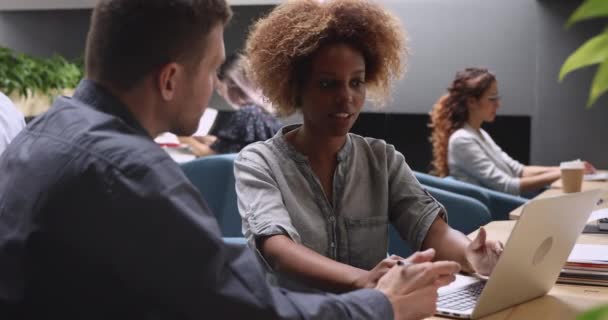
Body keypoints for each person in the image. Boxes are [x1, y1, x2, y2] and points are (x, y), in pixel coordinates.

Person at [0, 0, 460, 319]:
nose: (218, 86)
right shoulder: (133, 175)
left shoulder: (40, 137)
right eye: (213, 69)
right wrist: (383, 305)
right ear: (170, 79)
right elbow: (251, 311)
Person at [234, 0, 500, 297]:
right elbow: (278, 250)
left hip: (375, 310)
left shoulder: (381, 159)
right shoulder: (259, 162)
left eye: (356, 82)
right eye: (327, 84)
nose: (346, 97)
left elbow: (431, 230)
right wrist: (367, 281)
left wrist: (471, 253)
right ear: (295, 88)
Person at [429, 67, 595, 196]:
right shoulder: (462, 140)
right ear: (472, 102)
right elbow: (507, 186)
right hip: (498, 209)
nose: (498, 104)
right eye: (492, 99)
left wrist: (567, 168)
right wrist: (564, 172)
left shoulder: (479, 134)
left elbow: (519, 171)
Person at [178, 54, 281, 156]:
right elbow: (237, 146)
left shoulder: (247, 114)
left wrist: (185, 138)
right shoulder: (261, 114)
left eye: (219, 88)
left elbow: (215, 155)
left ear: (234, 86)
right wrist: (204, 140)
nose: (220, 93)